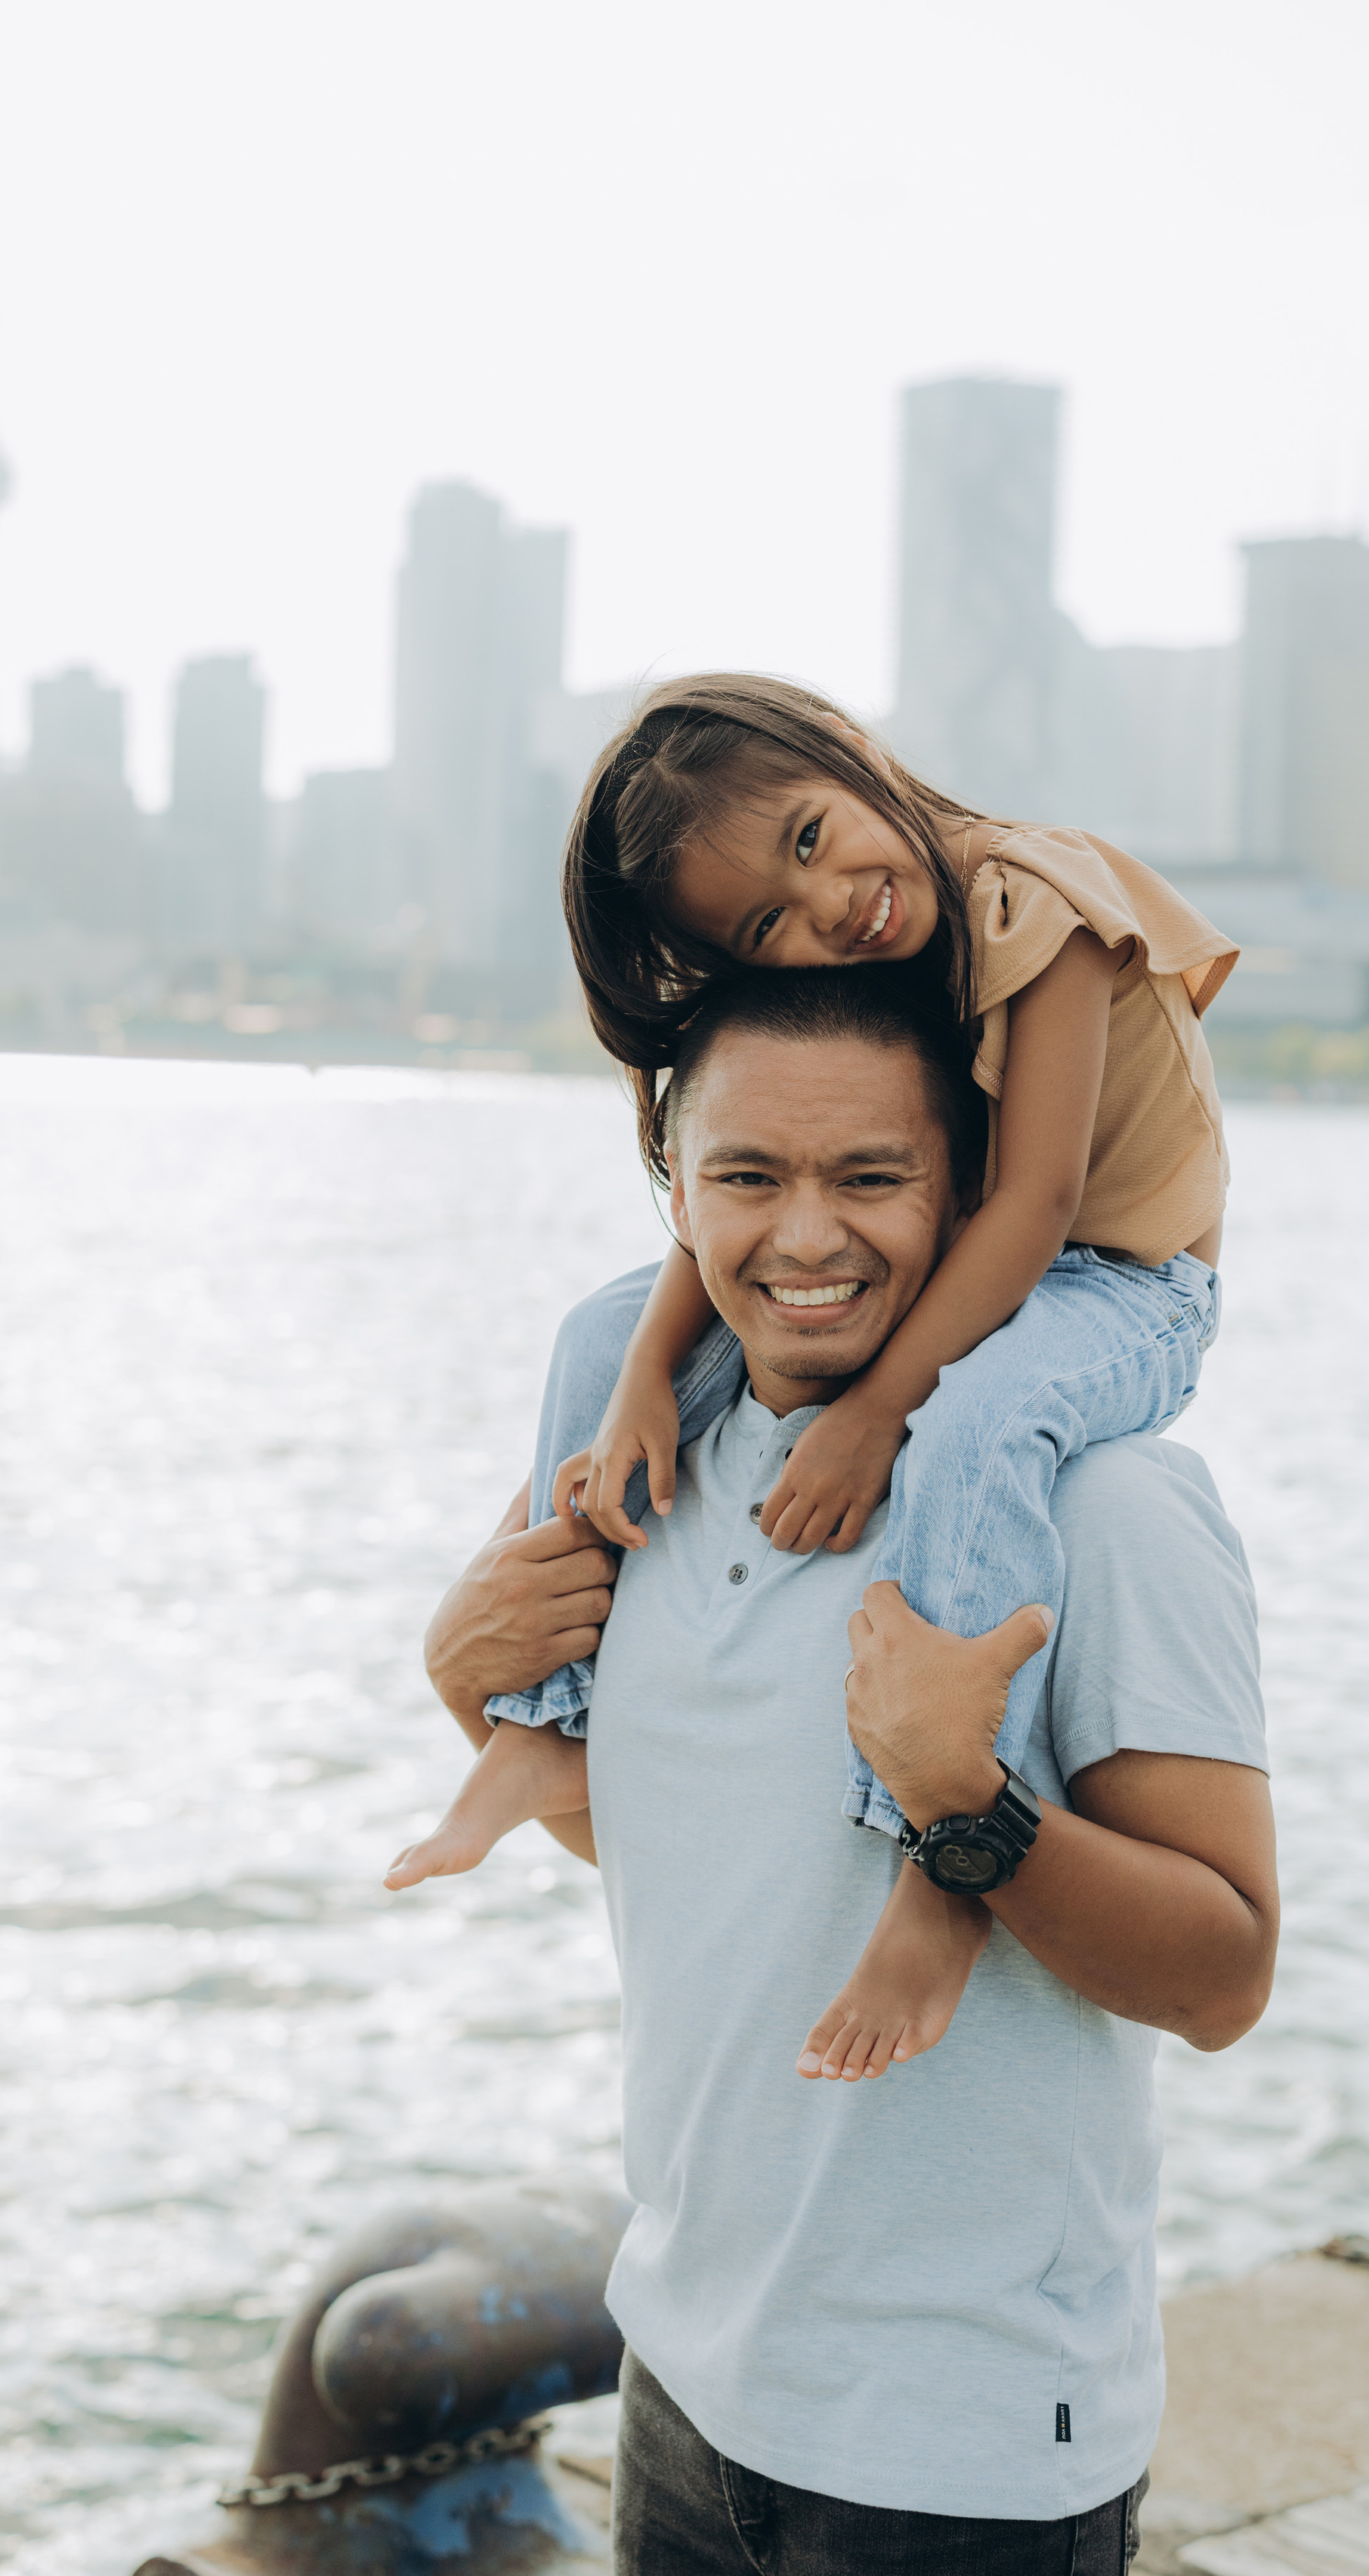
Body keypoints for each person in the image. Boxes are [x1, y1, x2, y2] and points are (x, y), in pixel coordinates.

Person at [419, 967, 1277, 2569]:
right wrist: (474, 1693)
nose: (803, 1238)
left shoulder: (1107, 1508)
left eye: (869, 1178)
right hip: (681, 2376)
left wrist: (971, 1810)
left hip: (962, 2455)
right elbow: (696, 1857)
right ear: (675, 1190)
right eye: (746, 1177)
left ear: (969, 1196)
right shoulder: (661, 1460)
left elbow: (1221, 1977)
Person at [389, 676, 1239, 2077]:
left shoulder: (1034, 897)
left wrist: (865, 1418)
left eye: (806, 840)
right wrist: (646, 1382)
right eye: (768, 926)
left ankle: (936, 1866)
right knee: (601, 1338)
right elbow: (750, 1192)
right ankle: (550, 1725)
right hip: (979, 1254)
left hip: (1123, 1281)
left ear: (849, 752)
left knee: (982, 1418)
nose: (829, 904)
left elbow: (1029, 1208)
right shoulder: (872, 965)